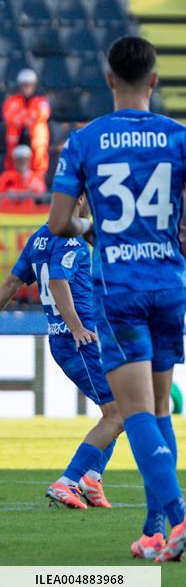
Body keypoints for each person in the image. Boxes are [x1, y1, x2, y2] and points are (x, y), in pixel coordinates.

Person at [47, 36, 186, 562]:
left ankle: (178, 515)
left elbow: (59, 223)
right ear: (154, 79)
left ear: (109, 80)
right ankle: (153, 531)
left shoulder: (84, 140)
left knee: (135, 409)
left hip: (118, 286)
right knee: (161, 406)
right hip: (169, 282)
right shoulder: (182, 135)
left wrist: (90, 226)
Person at [0, 198, 122, 511]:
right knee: (119, 412)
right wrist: (78, 326)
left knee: (120, 409)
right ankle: (69, 481)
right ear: (81, 198)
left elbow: (12, 282)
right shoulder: (71, 237)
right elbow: (57, 281)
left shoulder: (41, 236)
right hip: (78, 340)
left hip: (65, 339)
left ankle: (92, 478)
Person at [3, 69, 51, 175]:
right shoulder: (12, 101)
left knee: (39, 129)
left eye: (29, 85)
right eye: (24, 85)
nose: (27, 87)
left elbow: (42, 115)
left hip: (35, 140)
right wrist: (28, 117)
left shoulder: (41, 101)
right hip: (16, 140)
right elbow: (9, 116)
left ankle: (38, 177)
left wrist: (23, 116)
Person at [0, 145, 47, 210]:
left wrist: (16, 193)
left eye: (25, 159)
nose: (22, 162)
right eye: (19, 159)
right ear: (14, 161)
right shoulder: (6, 176)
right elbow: (1, 194)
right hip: (8, 213)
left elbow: (40, 195)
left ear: (29, 160)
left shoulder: (36, 177)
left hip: (30, 213)